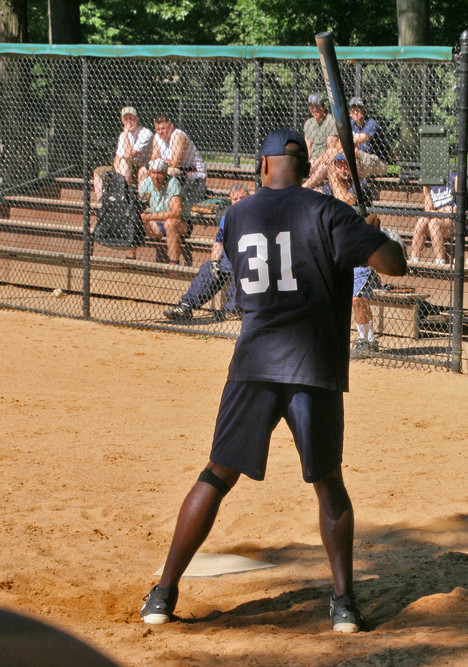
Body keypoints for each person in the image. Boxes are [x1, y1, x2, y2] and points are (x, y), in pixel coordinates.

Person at [139, 129, 406, 631]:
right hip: (313, 367)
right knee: (329, 482)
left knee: (217, 473)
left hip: (255, 363)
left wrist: (356, 226)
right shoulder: (328, 212)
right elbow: (393, 264)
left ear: (264, 168)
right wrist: (371, 231)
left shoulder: (239, 215)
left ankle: (163, 594)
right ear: (306, 169)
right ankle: (345, 604)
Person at [162, 183, 250, 320]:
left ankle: (231, 310)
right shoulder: (227, 218)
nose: (238, 202)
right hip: (227, 259)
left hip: (246, 258)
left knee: (239, 269)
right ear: (231, 201)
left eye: (241, 198)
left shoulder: (254, 216)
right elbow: (218, 242)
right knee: (207, 268)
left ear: (248, 198)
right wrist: (215, 262)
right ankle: (186, 305)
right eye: (235, 199)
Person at [321, 153, 381, 356]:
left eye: (346, 166)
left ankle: (363, 340)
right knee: (357, 300)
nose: (343, 170)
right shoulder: (329, 187)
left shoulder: (360, 185)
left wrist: (330, 175)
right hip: (341, 252)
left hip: (363, 252)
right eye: (339, 166)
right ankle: (370, 339)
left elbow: (346, 200)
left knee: (357, 299)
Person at [303, 96, 387, 189]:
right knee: (329, 159)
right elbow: (339, 143)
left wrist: (337, 150)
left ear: (364, 111)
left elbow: (354, 141)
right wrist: (333, 153)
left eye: (359, 109)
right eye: (353, 109)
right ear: (350, 113)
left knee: (352, 152)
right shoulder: (350, 124)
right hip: (355, 159)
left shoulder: (371, 123)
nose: (356, 112)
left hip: (376, 161)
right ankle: (304, 187)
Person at [139, 115, 207, 212]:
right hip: (171, 168)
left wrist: (161, 161)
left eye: (163, 128)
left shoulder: (178, 135)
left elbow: (175, 163)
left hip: (192, 171)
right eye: (158, 129)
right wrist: (165, 161)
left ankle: (165, 204)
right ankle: (145, 202)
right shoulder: (157, 137)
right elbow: (153, 160)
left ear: (171, 127)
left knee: (170, 171)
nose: (160, 132)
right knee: (143, 171)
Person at [93, 106, 153, 198]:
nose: (129, 121)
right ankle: (101, 203)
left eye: (131, 118)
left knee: (125, 161)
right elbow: (117, 157)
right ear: (122, 120)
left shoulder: (145, 133)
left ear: (137, 119)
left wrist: (125, 134)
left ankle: (123, 197)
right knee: (98, 172)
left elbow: (130, 154)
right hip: (123, 168)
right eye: (126, 119)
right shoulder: (122, 135)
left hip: (140, 165)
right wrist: (117, 173)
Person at [137, 159, 188, 264]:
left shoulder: (173, 183)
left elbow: (176, 213)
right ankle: (130, 259)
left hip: (180, 223)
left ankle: (174, 262)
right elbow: (141, 201)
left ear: (165, 173)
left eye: (159, 173)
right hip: (157, 224)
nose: (156, 176)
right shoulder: (148, 182)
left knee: (170, 223)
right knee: (132, 218)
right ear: (149, 173)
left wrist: (149, 217)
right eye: (153, 172)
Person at [409, 172, 457, 265]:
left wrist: (436, 212)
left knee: (433, 223)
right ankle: (414, 260)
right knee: (421, 221)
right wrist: (443, 210)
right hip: (436, 217)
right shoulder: (429, 180)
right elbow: (428, 210)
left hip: (453, 221)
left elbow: (455, 210)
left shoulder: (454, 177)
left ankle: (440, 262)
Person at [301, 93, 339, 190]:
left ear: (324, 107)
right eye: (312, 107)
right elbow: (308, 147)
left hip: (323, 159)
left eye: (317, 106)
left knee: (329, 156)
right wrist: (307, 163)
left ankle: (305, 187)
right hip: (312, 159)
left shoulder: (330, 121)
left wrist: (314, 164)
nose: (315, 110)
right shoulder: (309, 123)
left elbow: (331, 148)